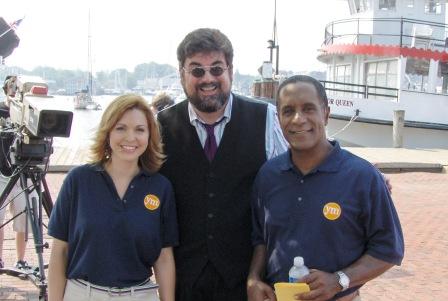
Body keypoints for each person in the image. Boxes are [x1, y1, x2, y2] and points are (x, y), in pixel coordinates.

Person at [157, 28, 288, 301]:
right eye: (197, 70)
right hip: (183, 281)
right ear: (182, 74)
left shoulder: (265, 118)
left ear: (230, 70)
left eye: (216, 69)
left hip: (246, 280)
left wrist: (364, 173)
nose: (208, 79)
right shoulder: (159, 127)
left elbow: (302, 162)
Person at [248, 75, 404, 301]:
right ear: (278, 117)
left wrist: (340, 280)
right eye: (288, 111)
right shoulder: (268, 175)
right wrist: (254, 278)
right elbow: (261, 239)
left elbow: (389, 250)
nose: (298, 119)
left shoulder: (362, 176)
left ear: (326, 114)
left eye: (309, 109)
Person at [47, 94, 178, 301]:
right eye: (121, 128)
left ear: (149, 136)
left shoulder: (161, 187)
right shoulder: (78, 181)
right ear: (107, 132)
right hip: (82, 294)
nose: (130, 138)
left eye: (140, 130)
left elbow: (163, 257)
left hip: (140, 295)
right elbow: (60, 251)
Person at [0, 75, 34, 270]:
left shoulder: (27, 113)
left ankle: (21, 260)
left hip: (24, 173)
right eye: (11, 86)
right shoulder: (1, 109)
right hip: (2, 171)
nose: (14, 90)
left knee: (23, 218)